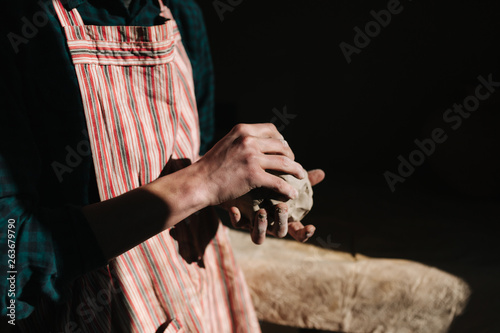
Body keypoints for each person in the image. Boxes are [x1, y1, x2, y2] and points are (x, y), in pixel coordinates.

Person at [0, 0, 325, 331]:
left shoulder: (180, 11)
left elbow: (196, 148)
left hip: (196, 294)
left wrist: (236, 190)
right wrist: (201, 182)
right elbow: (10, 262)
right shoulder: (20, 23)